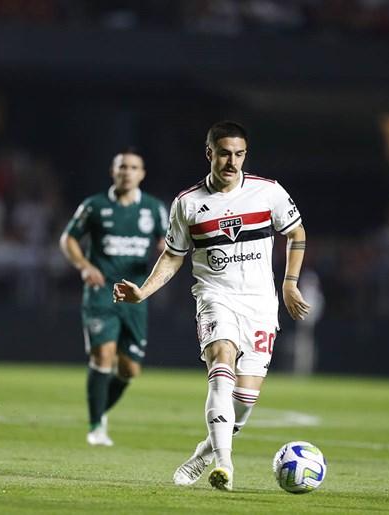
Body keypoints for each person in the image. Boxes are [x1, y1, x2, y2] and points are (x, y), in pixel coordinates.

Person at [113, 121, 310, 491]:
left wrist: (289, 283)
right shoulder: (187, 204)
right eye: (224, 154)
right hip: (215, 298)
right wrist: (142, 291)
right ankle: (225, 465)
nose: (231, 162)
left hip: (261, 306)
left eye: (238, 155)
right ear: (210, 154)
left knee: (245, 401)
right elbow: (173, 257)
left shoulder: (268, 193)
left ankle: (202, 455)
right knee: (222, 359)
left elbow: (296, 232)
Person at [60, 149, 167, 446]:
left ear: (142, 173)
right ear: (113, 172)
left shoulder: (154, 209)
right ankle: (96, 427)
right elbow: (68, 238)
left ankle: (99, 408)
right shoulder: (94, 206)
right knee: (103, 355)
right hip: (102, 292)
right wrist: (84, 266)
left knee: (130, 369)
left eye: (133, 167)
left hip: (135, 296)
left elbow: (169, 242)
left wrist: (165, 248)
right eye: (122, 167)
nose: (127, 172)